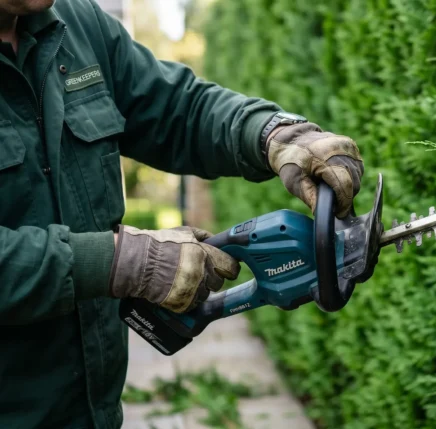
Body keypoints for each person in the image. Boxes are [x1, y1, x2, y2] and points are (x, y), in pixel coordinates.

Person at [0, 0, 365, 427]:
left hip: (92, 411)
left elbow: (177, 109)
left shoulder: (75, 25)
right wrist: (120, 259)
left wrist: (272, 134)